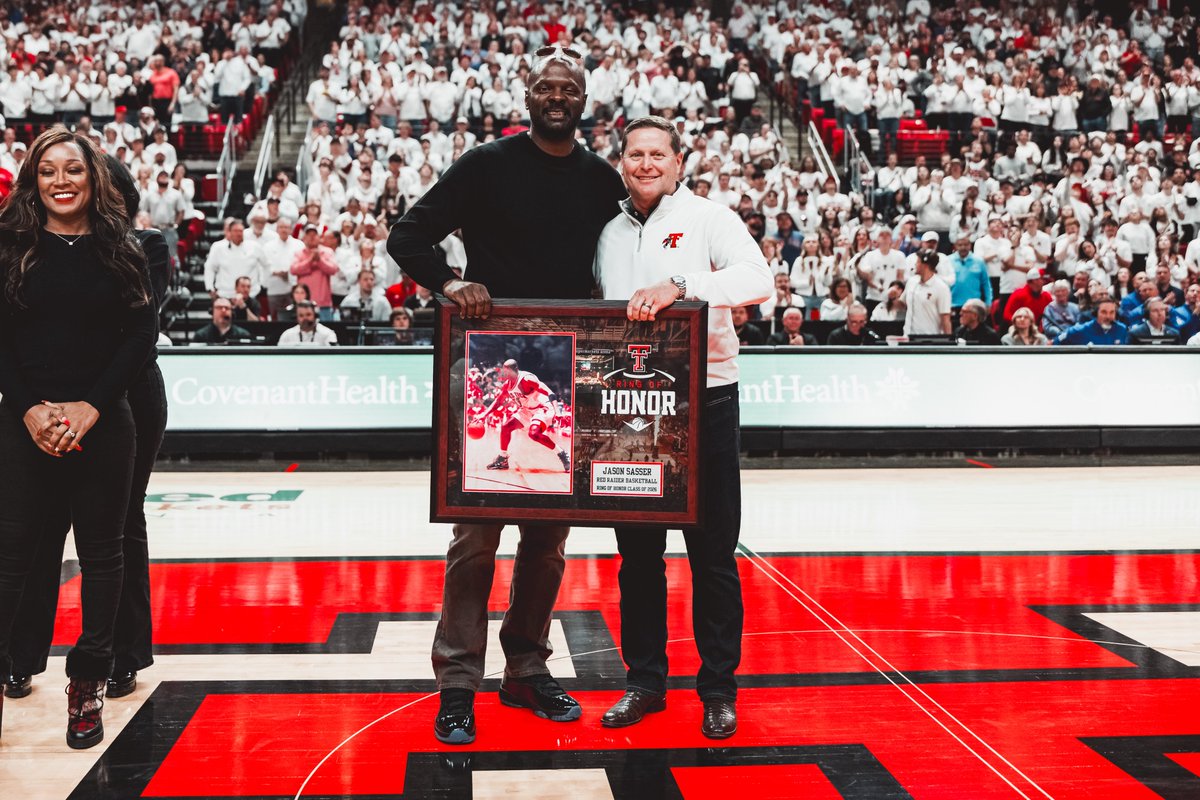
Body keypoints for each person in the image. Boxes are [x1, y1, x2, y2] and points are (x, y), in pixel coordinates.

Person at [386, 46, 626, 745]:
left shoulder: (601, 179)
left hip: (567, 367)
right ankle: (457, 681)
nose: (557, 96)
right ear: (527, 94)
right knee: (477, 534)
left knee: (550, 537)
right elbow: (408, 237)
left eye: (569, 87)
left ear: (585, 100)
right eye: (545, 86)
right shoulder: (486, 165)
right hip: (489, 361)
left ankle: (525, 667)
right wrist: (450, 282)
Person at [593, 114, 772, 740]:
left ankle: (718, 690)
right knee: (638, 557)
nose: (646, 164)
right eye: (635, 154)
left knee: (712, 556)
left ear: (678, 163)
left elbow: (758, 281)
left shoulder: (709, 218)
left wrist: (680, 284)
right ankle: (645, 682)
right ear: (621, 161)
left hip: (705, 401)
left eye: (657, 154)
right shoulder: (609, 231)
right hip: (626, 407)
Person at [0, 127, 156, 748]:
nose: (60, 182)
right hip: (24, 425)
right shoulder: (10, 246)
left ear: (94, 178)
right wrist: (29, 409)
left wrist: (91, 407)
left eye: (73, 170)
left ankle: (87, 681)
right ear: (32, 182)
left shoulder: (124, 247)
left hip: (104, 424)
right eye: (47, 171)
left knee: (104, 556)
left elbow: (139, 339)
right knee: (11, 561)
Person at [473, 359, 571, 473]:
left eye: (507, 370)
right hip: (526, 410)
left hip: (542, 407)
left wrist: (558, 412)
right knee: (506, 427)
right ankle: (503, 458)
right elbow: (499, 401)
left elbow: (550, 393)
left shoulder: (527, 379)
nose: (505, 373)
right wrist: (484, 415)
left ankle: (562, 453)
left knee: (534, 434)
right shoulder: (507, 385)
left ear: (515, 370)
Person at [290, 224, 340, 320]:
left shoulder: (327, 252)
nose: (312, 237)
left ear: (319, 237)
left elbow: (333, 269)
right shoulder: (298, 253)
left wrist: (319, 260)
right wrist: (310, 260)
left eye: (314, 234)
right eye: (309, 234)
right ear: (304, 238)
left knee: (325, 332)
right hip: (303, 303)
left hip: (323, 303)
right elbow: (293, 270)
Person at [902, 249, 951, 336]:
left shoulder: (941, 287)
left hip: (930, 339)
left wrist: (949, 344)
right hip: (908, 337)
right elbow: (902, 303)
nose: (915, 265)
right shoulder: (911, 282)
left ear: (925, 264)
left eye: (917, 262)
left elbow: (945, 318)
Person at [1054, 297, 1129, 345]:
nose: (1108, 316)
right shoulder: (1081, 330)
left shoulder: (1122, 329)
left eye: (1112, 312)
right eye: (1104, 312)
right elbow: (1058, 340)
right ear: (1096, 313)